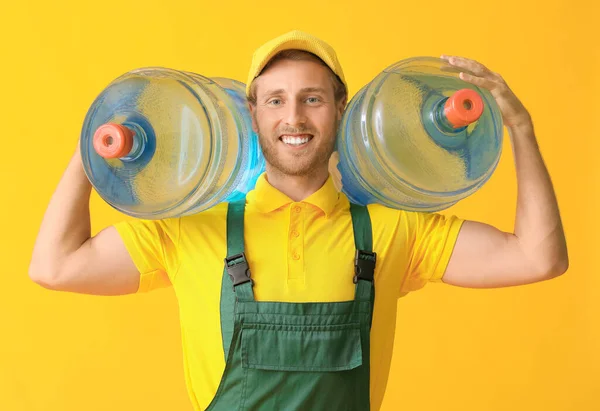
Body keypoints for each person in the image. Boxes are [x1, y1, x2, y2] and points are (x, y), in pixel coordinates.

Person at [29, 30, 568, 411]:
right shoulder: (189, 226)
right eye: (275, 101)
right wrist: (93, 143)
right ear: (250, 113)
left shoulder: (394, 229)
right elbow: (55, 265)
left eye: (312, 99)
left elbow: (537, 257)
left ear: (341, 109)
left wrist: (520, 127)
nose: (293, 118)